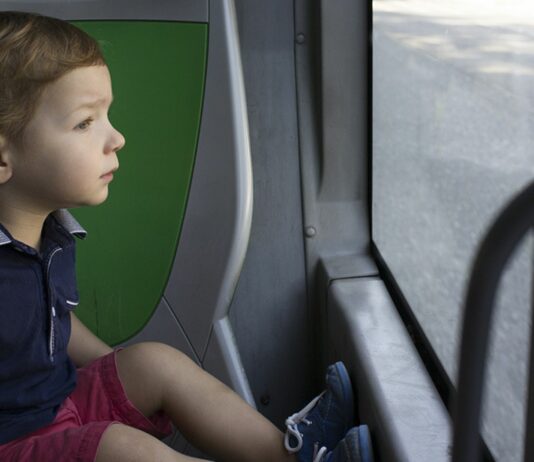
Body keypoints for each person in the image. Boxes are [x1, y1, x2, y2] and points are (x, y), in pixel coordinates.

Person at [0, 11, 374, 462]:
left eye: (106, 117)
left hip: (59, 405)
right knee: (121, 448)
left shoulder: (52, 235)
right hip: (14, 443)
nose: (116, 138)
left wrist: (111, 366)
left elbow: (53, 322)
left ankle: (292, 456)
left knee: (153, 361)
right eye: (84, 123)